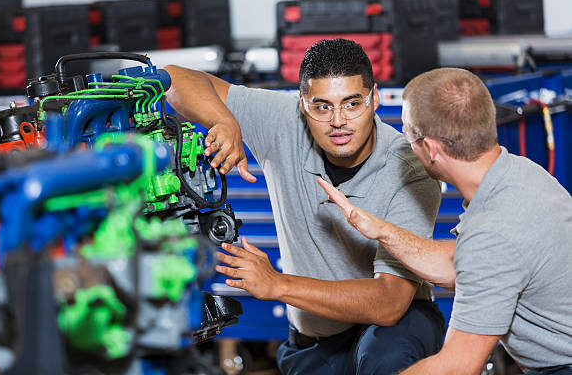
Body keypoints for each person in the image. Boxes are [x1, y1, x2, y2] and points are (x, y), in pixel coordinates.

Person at [164, 38, 445, 374]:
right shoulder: (284, 123)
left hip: (393, 329)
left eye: (352, 104)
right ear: (302, 104)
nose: (338, 120)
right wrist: (223, 120)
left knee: (386, 357)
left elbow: (389, 303)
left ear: (375, 100)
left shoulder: (409, 170)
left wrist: (278, 284)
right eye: (322, 106)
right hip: (315, 340)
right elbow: (171, 78)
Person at [319, 67, 572, 374]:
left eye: (408, 134)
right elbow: (468, 265)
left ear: (431, 149)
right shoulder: (519, 174)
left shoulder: (494, 231)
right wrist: (381, 231)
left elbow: (457, 366)